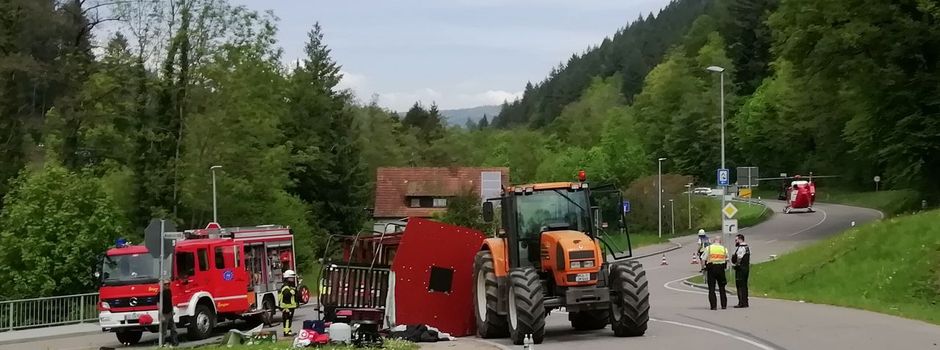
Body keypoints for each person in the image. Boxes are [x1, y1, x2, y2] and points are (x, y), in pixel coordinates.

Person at [700, 236, 729, 310]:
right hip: (721, 269)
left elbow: (703, 259)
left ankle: (713, 306)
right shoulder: (724, 249)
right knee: (722, 288)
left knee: (711, 288)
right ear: (720, 241)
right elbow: (727, 259)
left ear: (713, 241)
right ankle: (724, 305)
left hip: (711, 269)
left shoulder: (709, 248)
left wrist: (703, 268)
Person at [732, 234, 751, 308]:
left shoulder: (741, 248)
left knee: (740, 285)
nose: (735, 242)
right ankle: (745, 302)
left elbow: (739, 258)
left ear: (740, 239)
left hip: (741, 269)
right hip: (746, 268)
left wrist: (736, 264)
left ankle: (741, 302)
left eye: (736, 240)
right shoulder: (747, 247)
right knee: (744, 285)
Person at [280, 269, 299, 336]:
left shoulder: (289, 286)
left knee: (289, 319)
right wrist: (292, 292)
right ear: (288, 278)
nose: (293, 279)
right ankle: (286, 332)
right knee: (287, 319)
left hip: (290, 306)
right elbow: (286, 295)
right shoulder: (285, 286)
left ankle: (289, 331)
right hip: (286, 306)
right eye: (292, 278)